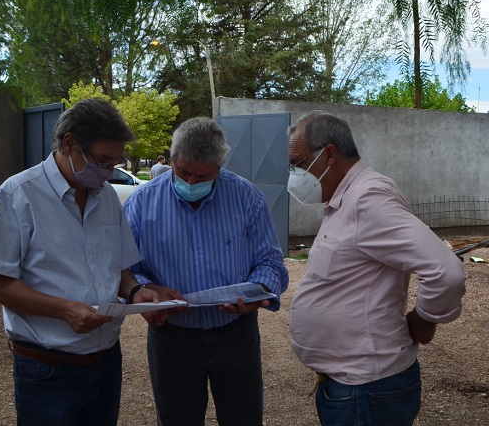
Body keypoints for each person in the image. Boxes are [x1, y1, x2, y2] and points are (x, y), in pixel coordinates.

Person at [0, 98, 161, 426]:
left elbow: (119, 265)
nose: (108, 172)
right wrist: (64, 310)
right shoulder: (18, 195)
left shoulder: (106, 196)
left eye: (115, 162)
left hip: (106, 361)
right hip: (46, 369)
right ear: (69, 144)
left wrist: (135, 292)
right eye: (102, 160)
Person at [286, 110, 466, 426]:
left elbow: (445, 271)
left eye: (298, 163)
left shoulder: (368, 198)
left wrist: (424, 321)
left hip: (367, 391)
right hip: (353, 388)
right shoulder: (344, 198)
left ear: (329, 155)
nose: (294, 175)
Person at [123, 117, 289, 426]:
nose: (191, 182)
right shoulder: (142, 203)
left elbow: (270, 261)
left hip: (235, 333)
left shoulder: (247, 198)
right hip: (172, 337)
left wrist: (257, 291)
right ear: (171, 159)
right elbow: (125, 268)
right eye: (183, 172)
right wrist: (146, 291)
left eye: (203, 176)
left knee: (243, 418)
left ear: (219, 168)